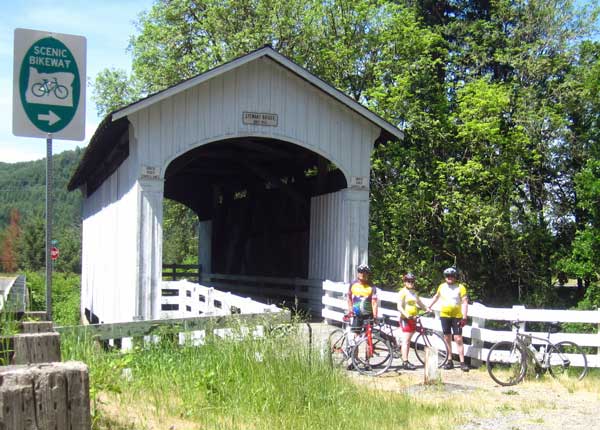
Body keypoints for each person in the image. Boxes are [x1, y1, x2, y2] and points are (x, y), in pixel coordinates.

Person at [427, 267, 469, 372]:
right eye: (447, 276)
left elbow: (464, 302)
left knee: (458, 338)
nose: (449, 278)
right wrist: (429, 306)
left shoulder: (460, 287)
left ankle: (462, 362)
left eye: (451, 276)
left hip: (457, 316)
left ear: (455, 277)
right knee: (447, 337)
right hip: (444, 315)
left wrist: (464, 316)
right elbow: (436, 297)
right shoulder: (442, 286)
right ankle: (449, 360)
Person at [397, 272, 427, 370]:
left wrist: (426, 309)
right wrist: (406, 315)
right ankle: (405, 362)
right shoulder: (402, 292)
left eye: (412, 281)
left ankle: (405, 358)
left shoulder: (414, 293)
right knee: (406, 340)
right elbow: (399, 306)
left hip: (413, 318)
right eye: (408, 281)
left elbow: (419, 302)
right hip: (406, 318)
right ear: (404, 282)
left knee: (408, 340)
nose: (410, 283)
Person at [347, 264, 378, 335]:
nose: (363, 274)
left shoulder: (372, 286)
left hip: (368, 316)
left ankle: (368, 346)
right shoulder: (353, 284)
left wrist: (375, 316)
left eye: (365, 272)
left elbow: (374, 303)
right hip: (357, 315)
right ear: (358, 273)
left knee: (368, 336)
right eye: (360, 271)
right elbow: (349, 296)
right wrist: (350, 310)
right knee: (356, 336)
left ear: (368, 274)